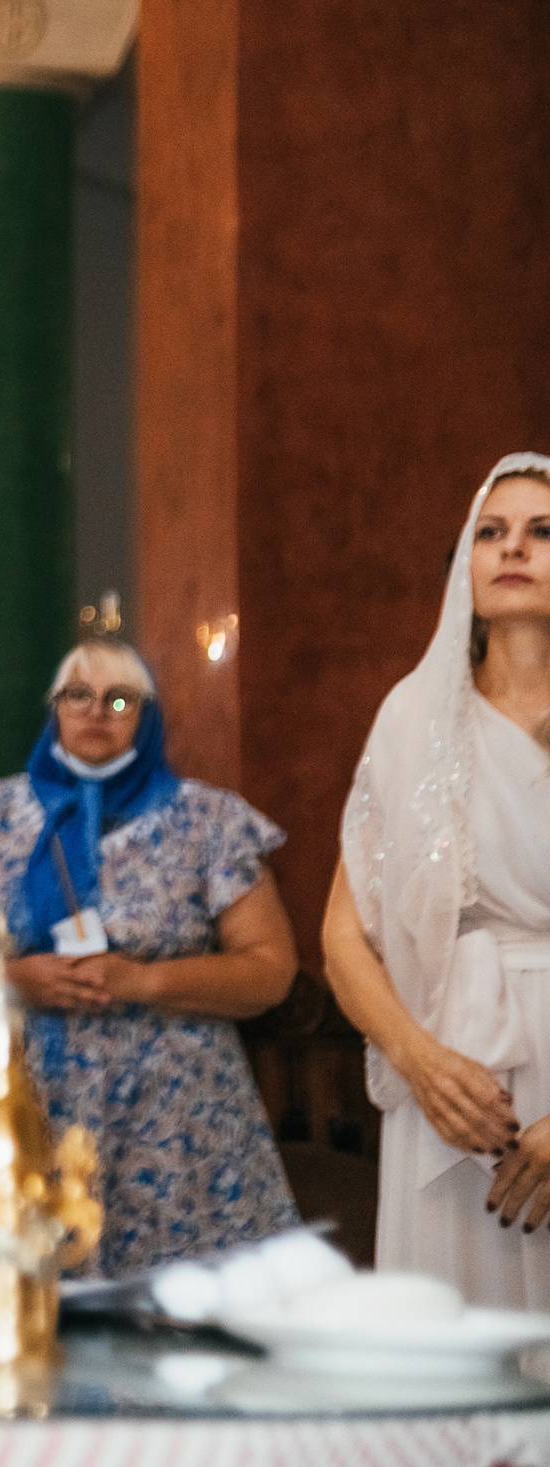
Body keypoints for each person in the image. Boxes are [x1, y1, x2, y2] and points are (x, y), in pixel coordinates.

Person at [0, 638, 301, 1277]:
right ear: (55, 709)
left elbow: (269, 969)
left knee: (181, 1315)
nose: (96, 713)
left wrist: (144, 979)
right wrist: (16, 978)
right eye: (77, 696)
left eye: (120, 700)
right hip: (22, 1097)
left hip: (172, 1112)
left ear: (148, 718)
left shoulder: (210, 821)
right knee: (13, 1301)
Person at [323, 454, 550, 1302]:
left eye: (540, 530)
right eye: (489, 532)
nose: (511, 548)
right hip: (452, 1083)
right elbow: (344, 935)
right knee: (455, 1353)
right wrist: (418, 1063)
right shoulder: (412, 717)